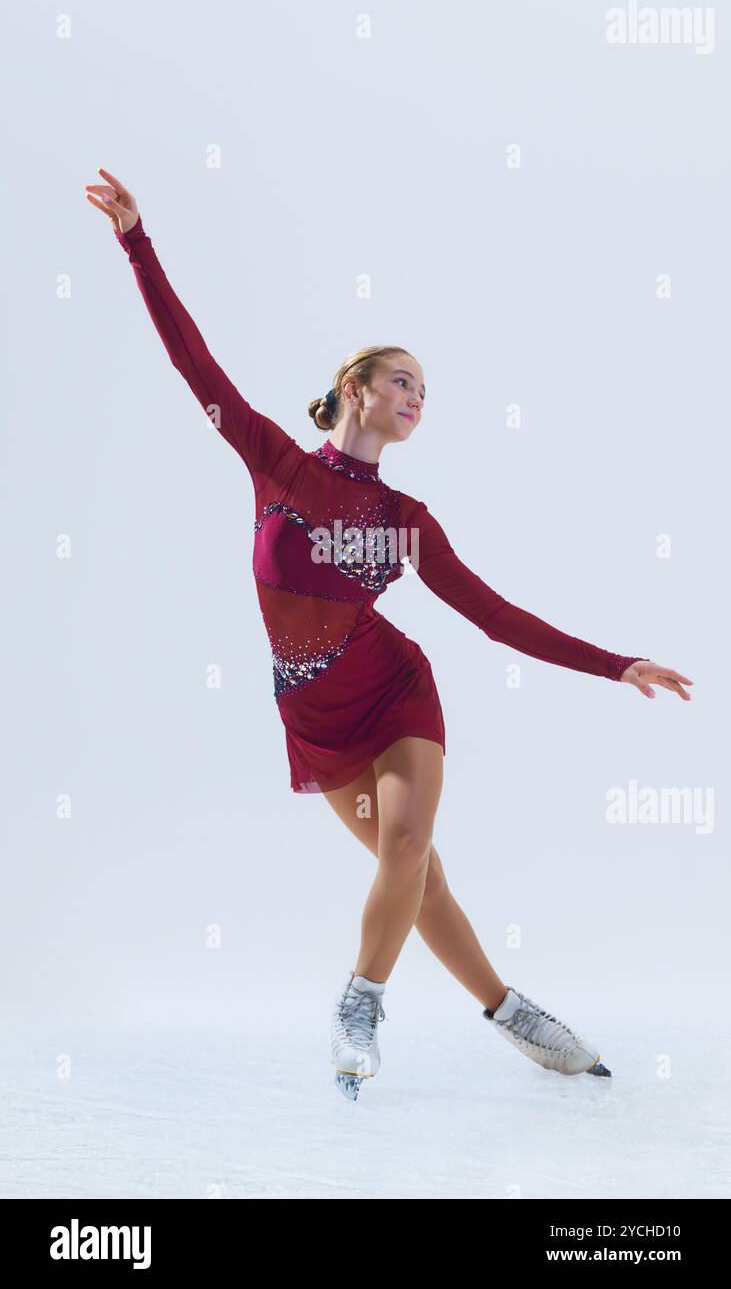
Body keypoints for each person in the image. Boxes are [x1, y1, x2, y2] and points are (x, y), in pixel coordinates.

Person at [85, 168, 693, 1101]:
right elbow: (192, 362)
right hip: (311, 709)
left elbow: (493, 616)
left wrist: (617, 665)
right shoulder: (275, 461)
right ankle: (512, 1012)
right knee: (416, 878)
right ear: (353, 388)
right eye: (400, 379)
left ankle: (360, 1005)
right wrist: (137, 241)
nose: (416, 395)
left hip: (393, 688)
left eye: (425, 389)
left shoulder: (408, 517)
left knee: (405, 851)